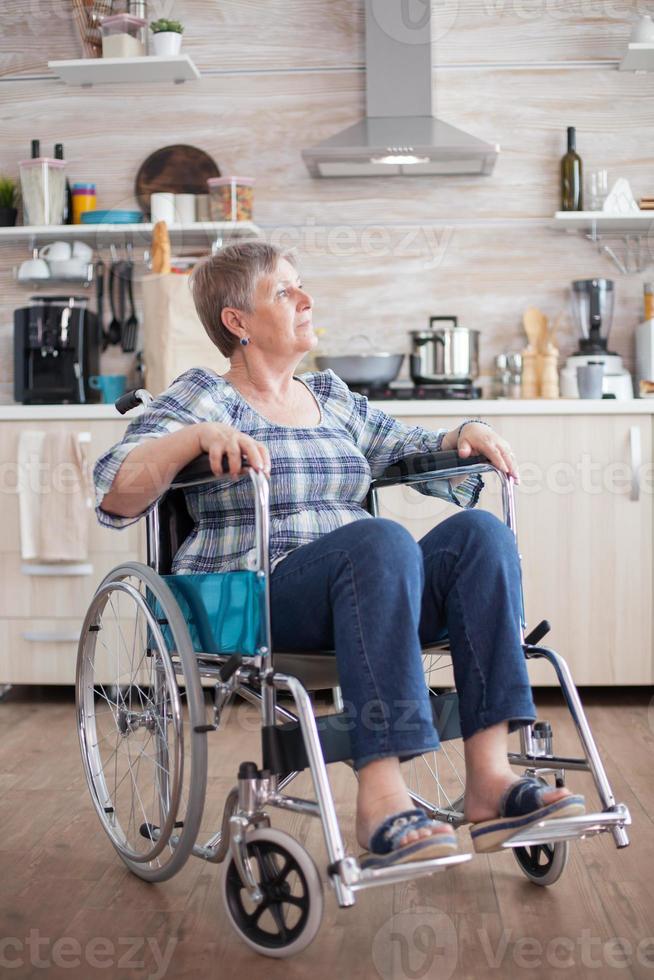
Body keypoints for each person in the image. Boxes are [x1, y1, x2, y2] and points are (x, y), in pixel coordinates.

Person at [95, 242, 584, 869]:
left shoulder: (330, 395)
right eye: (285, 291)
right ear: (236, 321)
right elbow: (116, 488)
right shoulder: (202, 397)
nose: (307, 300)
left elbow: (405, 444)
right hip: (268, 593)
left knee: (479, 536)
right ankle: (381, 800)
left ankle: (490, 781)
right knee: (378, 542)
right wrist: (194, 438)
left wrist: (461, 435)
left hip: (372, 584)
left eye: (303, 287)